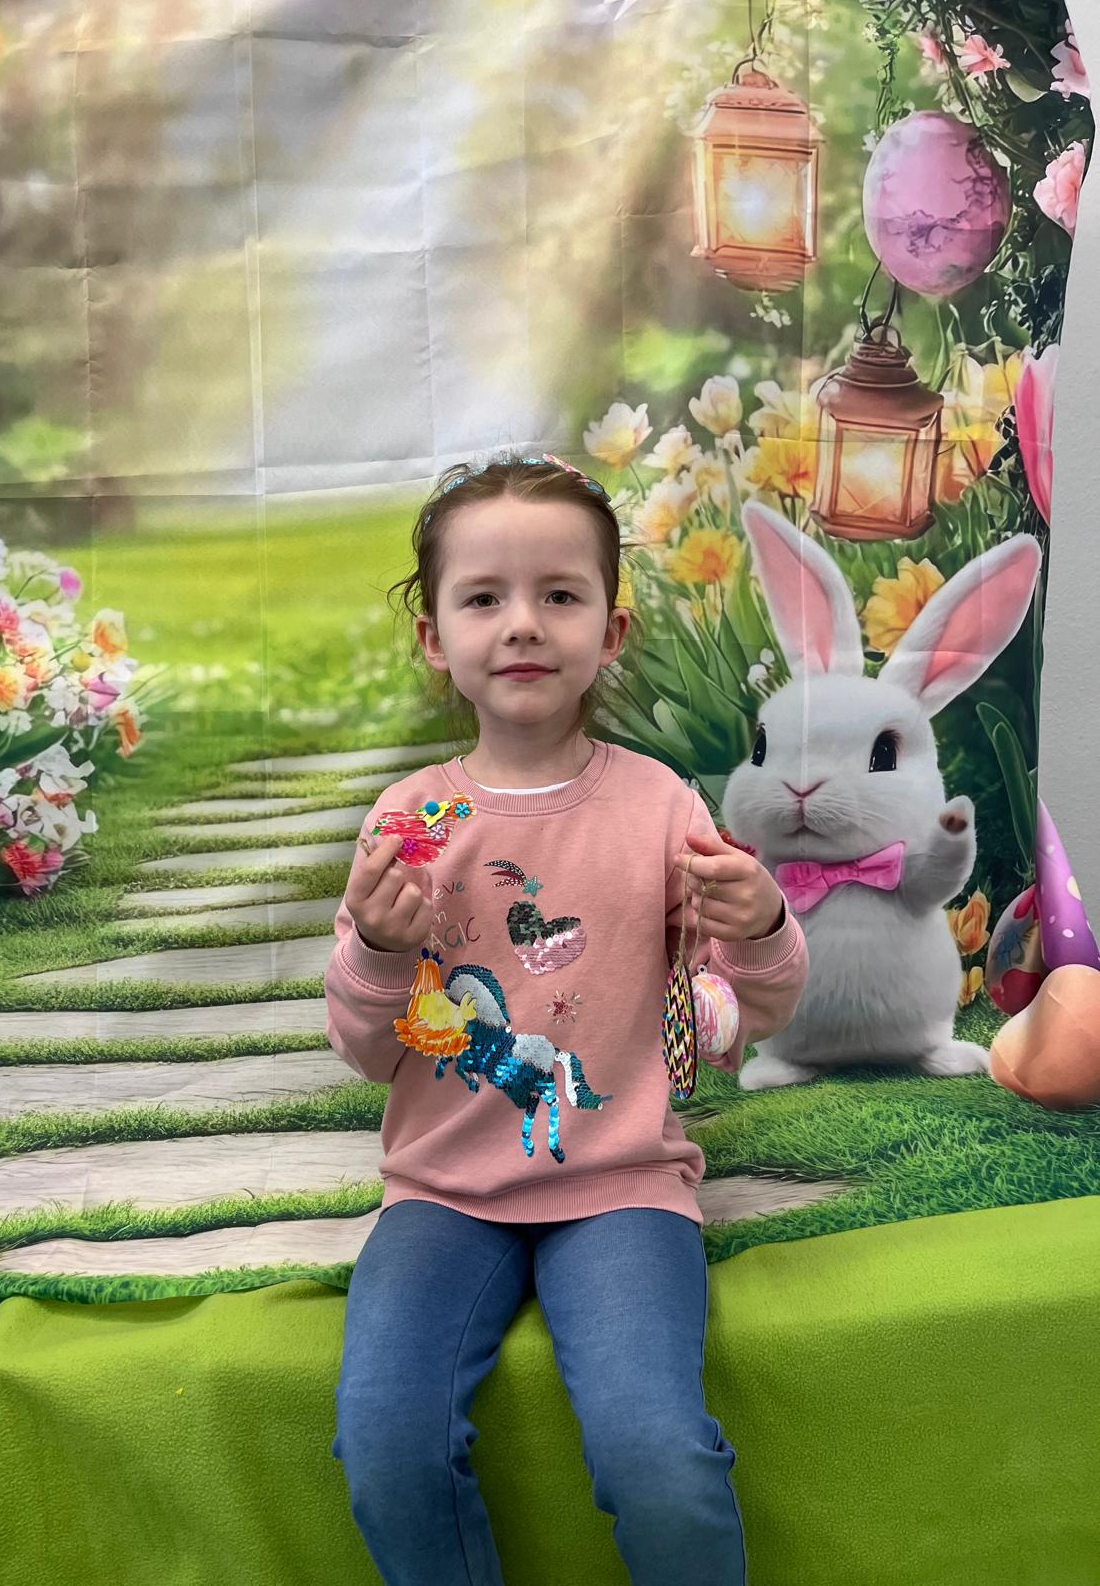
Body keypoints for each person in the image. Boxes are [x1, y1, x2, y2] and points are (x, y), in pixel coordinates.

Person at [324, 452, 809, 1585]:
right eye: (483, 598)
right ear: (434, 637)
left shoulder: (661, 808)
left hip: (625, 1190)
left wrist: (762, 922)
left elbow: (746, 1011)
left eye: (559, 593)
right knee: (386, 1443)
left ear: (613, 629)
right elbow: (364, 1050)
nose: (523, 624)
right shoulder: (411, 822)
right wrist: (382, 951)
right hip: (442, 1194)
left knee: (659, 1455)